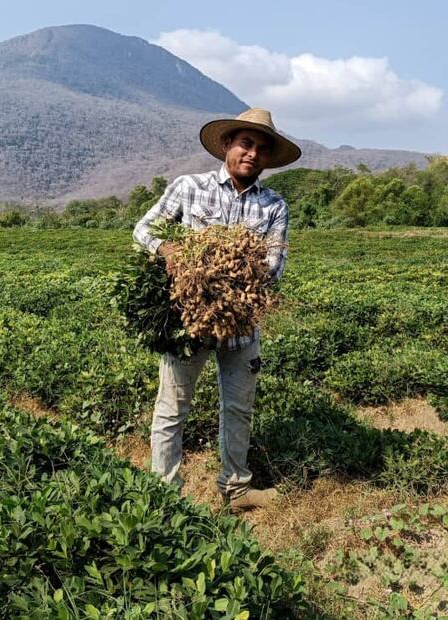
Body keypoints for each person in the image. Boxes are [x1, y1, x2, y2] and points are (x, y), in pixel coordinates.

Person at [132, 108, 301, 511]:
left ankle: (236, 489)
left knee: (239, 408)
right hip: (188, 323)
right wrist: (168, 250)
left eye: (261, 148)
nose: (252, 154)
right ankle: (164, 495)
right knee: (172, 408)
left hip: (241, 326)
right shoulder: (189, 187)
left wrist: (227, 285)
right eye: (246, 144)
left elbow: (273, 269)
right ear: (227, 145)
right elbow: (144, 230)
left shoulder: (274, 206)